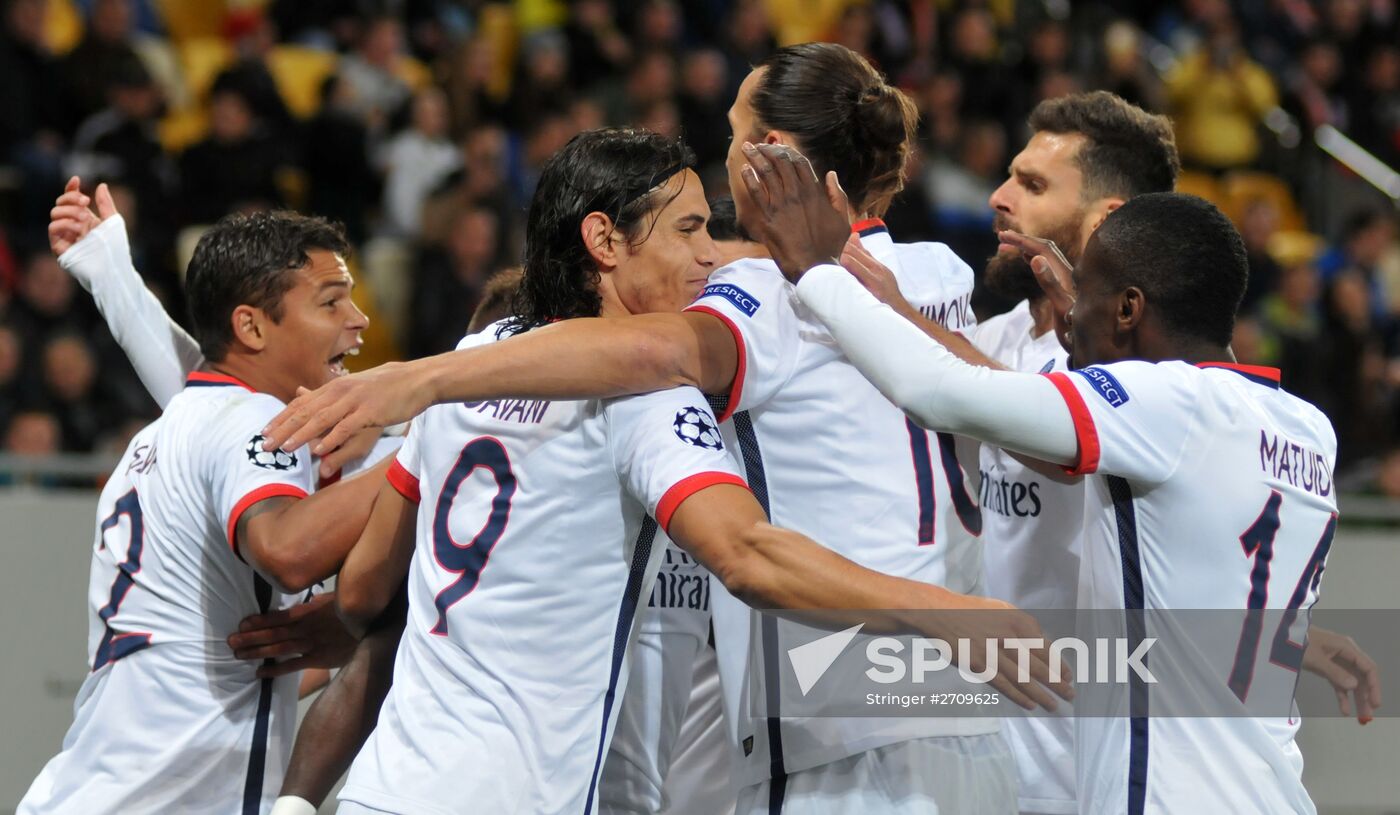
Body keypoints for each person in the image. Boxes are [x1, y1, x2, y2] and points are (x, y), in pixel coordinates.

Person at [265, 44, 1019, 814]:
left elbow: (361, 587)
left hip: (824, 717)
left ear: (776, 161)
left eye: (731, 138)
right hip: (935, 692)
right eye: (688, 230)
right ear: (603, 241)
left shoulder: (500, 357)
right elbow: (748, 547)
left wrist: (416, 377)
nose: (708, 253)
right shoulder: (936, 274)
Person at [739, 151, 1343, 815]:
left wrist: (818, 275)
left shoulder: (1169, 405)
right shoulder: (1306, 427)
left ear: (1129, 308)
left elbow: (939, 392)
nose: (1069, 313)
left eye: (1088, 292)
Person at [20, 203, 389, 814]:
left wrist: (112, 274)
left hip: (97, 785)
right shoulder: (251, 423)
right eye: (330, 302)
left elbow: (248, 668)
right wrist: (429, 450)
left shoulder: (176, 427)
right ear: (251, 327)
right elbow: (288, 552)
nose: (359, 319)